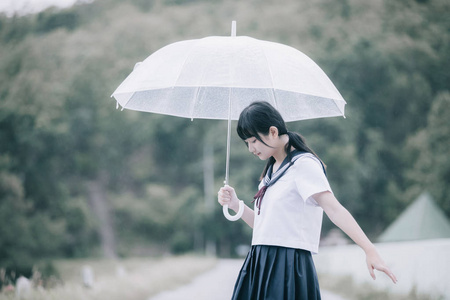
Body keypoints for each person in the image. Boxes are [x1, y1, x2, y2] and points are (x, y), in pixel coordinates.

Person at [217, 101, 397, 300]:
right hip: (260, 261)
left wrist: (369, 249)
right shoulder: (270, 172)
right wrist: (235, 205)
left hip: (287, 265)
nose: (250, 148)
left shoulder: (303, 165)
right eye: (247, 143)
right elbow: (264, 228)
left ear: (273, 132)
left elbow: (334, 209)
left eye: (253, 141)